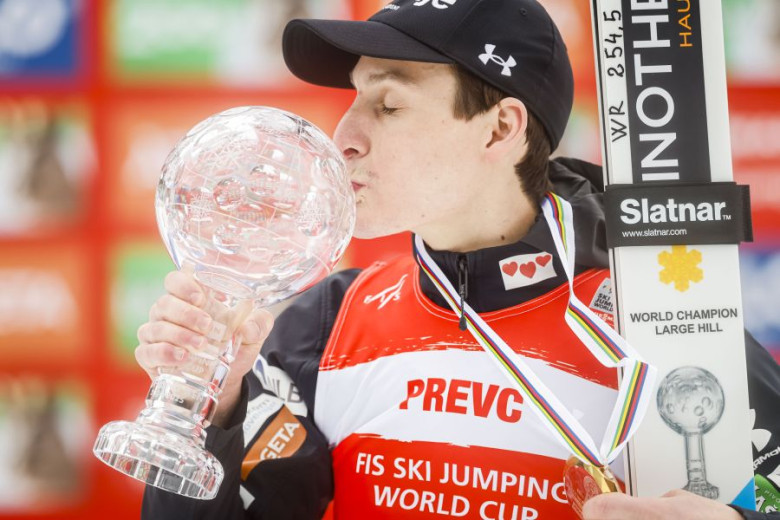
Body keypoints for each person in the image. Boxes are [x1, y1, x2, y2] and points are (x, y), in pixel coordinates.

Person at [137, 0, 780, 518]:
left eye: (387, 105)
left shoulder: (666, 320)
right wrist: (210, 413)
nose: (343, 138)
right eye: (353, 99)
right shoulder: (328, 321)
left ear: (501, 128)